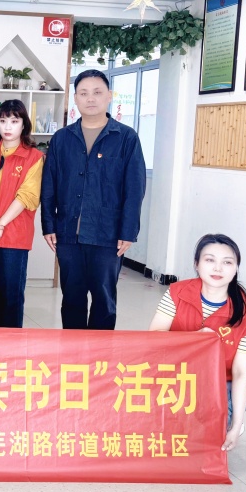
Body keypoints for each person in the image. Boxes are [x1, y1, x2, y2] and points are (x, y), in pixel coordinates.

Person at [41, 69, 146, 330]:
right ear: (75, 98)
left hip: (108, 235)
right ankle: (73, 351)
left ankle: (101, 354)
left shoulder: (126, 138)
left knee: (104, 301)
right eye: (83, 93)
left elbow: (135, 189)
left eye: (97, 92)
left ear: (109, 96)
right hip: (68, 234)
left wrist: (128, 231)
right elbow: (49, 184)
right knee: (72, 299)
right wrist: (48, 225)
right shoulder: (62, 139)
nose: (90, 98)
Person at [149, 234, 246, 452]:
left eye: (227, 262)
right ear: (197, 264)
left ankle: (228, 421)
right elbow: (154, 338)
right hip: (180, 373)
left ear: (236, 268)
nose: (218, 268)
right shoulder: (176, 293)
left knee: (208, 432)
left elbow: (241, 373)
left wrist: (236, 424)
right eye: (210, 260)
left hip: (225, 381)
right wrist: (194, 339)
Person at [0, 100, 44, 327]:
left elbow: (28, 195)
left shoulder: (34, 157)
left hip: (13, 236)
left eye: (14, 121)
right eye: (3, 120)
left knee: (11, 296)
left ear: (24, 125)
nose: (7, 126)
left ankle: (11, 344)